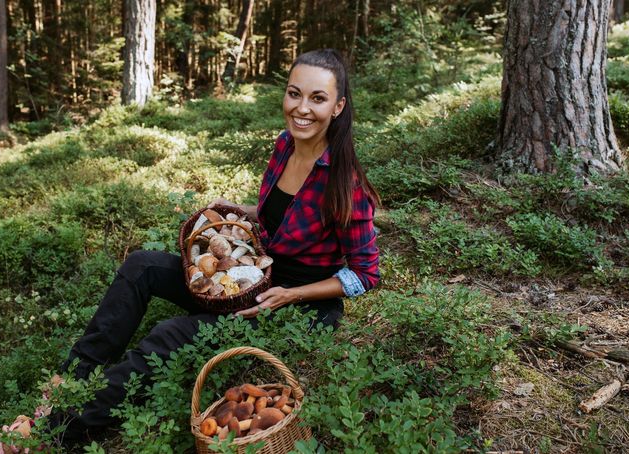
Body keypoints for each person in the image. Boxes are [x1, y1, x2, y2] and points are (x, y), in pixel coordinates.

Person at [23, 48, 380, 446]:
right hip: (256, 276)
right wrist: (241, 210)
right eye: (294, 93)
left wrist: (290, 295)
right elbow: (280, 214)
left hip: (298, 303)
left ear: (338, 106)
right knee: (141, 266)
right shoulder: (285, 145)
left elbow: (365, 274)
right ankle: (69, 382)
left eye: (318, 98)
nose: (301, 108)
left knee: (168, 335)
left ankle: (56, 431)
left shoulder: (346, 185)